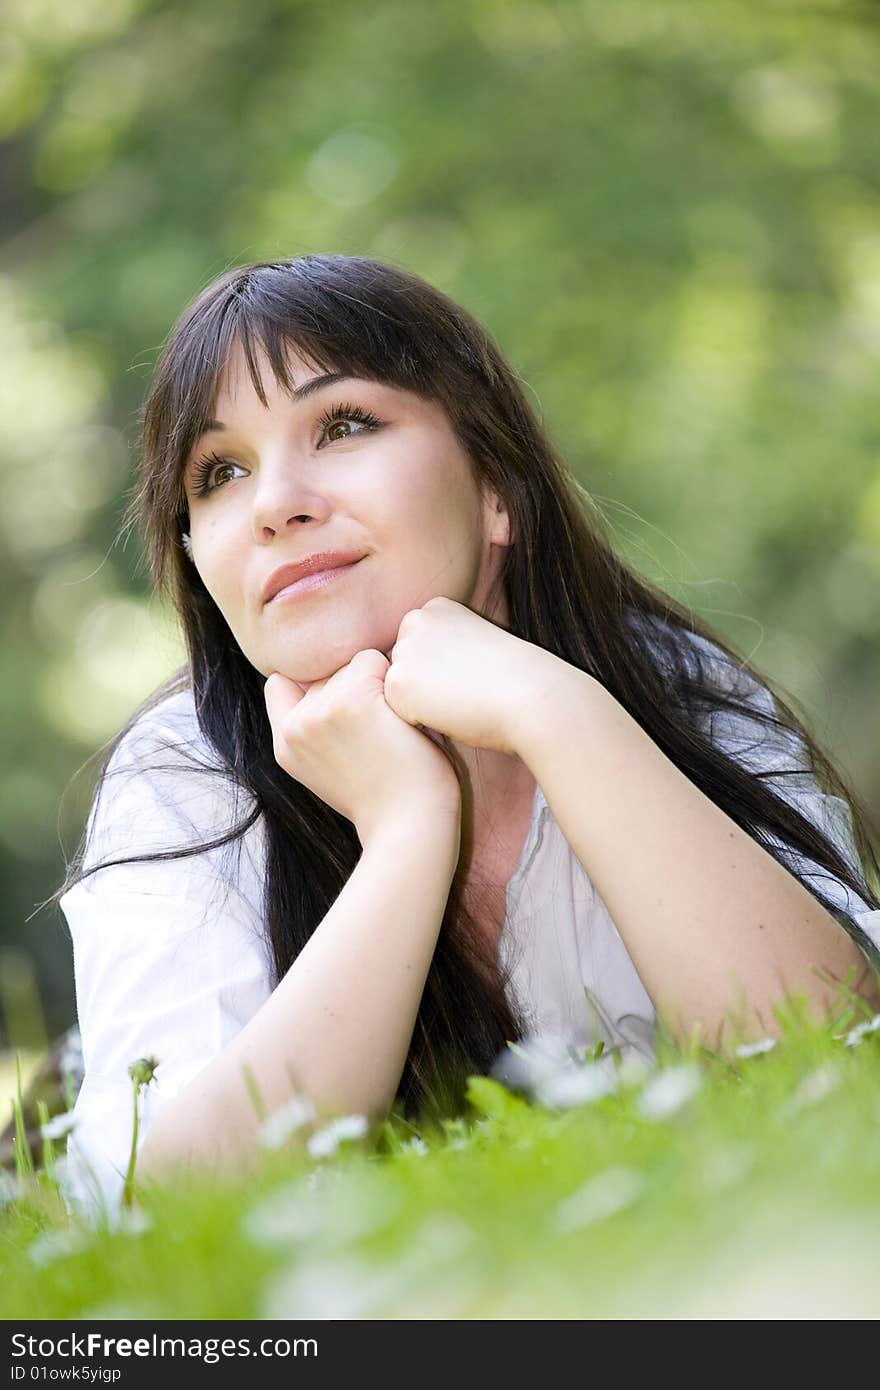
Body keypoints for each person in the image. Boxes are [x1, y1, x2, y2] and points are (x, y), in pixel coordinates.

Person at [48, 253, 880, 1225]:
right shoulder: (182, 776)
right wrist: (406, 831)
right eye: (219, 472)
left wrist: (558, 714)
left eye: (343, 424)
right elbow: (161, 1205)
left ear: (496, 485)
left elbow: (835, 1061)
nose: (276, 502)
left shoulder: (666, 688)